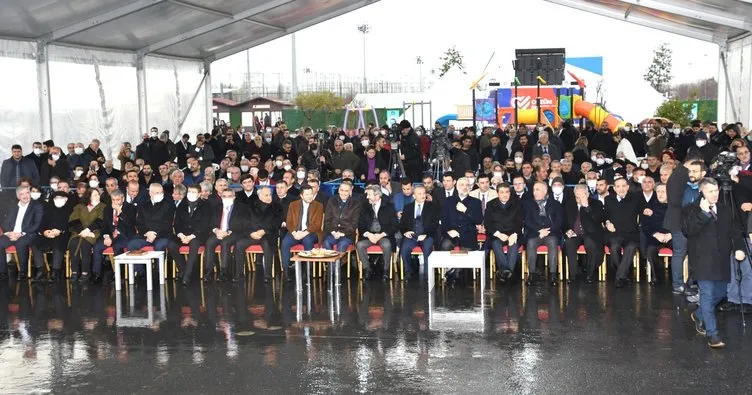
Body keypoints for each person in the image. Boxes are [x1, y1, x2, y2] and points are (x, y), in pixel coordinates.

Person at [683, 177, 745, 348]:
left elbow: (735, 230)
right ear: (701, 191)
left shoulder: (725, 209)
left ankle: (698, 314)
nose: (715, 194)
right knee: (708, 295)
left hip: (721, 260)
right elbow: (688, 230)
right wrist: (703, 213)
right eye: (710, 191)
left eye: (716, 190)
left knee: (721, 294)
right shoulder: (691, 209)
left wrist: (739, 248)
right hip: (702, 260)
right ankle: (713, 335)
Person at [664, 155, 706, 294]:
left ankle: (682, 283)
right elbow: (678, 201)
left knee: (682, 253)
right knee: (680, 253)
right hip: (680, 220)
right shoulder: (683, 175)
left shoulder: (677, 173)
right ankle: (679, 284)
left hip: (680, 220)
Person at [233, 186, 282, 283]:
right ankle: (239, 275)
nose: (269, 197)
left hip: (268, 234)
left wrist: (263, 231)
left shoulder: (277, 207)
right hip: (252, 234)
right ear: (259, 196)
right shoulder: (250, 206)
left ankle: (267, 275)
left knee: (267, 245)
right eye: (266, 195)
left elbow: (276, 223)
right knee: (238, 244)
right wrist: (251, 233)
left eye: (270, 195)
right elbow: (245, 222)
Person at [127, 184, 175, 278]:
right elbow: (139, 222)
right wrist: (147, 233)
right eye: (157, 192)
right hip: (146, 235)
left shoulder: (169, 204)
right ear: (150, 193)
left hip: (162, 235)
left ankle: (158, 271)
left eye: (161, 192)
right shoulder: (143, 203)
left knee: (159, 246)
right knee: (132, 244)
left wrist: (154, 234)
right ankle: (140, 271)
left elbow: (167, 223)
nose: (159, 194)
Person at [166, 185, 210, 286]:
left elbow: (205, 224)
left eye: (193, 192)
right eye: (189, 192)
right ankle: (183, 269)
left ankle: (187, 275)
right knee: (171, 245)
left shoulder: (205, 205)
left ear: (199, 194)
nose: (190, 194)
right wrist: (181, 235)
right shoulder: (182, 204)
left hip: (198, 235)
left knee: (194, 244)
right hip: (183, 234)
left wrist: (191, 236)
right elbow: (177, 223)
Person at [202, 189, 250, 281]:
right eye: (224, 196)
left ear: (234, 197)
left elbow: (244, 224)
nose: (227, 198)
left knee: (225, 242)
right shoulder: (217, 207)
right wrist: (216, 230)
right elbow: (211, 223)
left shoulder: (242, 207)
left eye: (229, 196)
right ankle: (208, 272)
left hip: (234, 232)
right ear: (221, 197)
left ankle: (224, 272)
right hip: (219, 232)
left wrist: (228, 232)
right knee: (209, 243)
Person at [522, 181, 564, 286]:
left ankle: (553, 274)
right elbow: (527, 221)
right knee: (530, 243)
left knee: (553, 242)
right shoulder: (528, 204)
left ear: (545, 191)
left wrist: (547, 231)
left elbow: (559, 221)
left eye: (538, 190)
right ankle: (532, 274)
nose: (535, 192)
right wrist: (539, 230)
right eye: (534, 190)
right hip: (535, 233)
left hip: (551, 233)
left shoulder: (555, 204)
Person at [563, 184, 605, 284]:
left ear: (587, 194)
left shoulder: (596, 203)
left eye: (581, 196)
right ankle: (573, 275)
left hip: (590, 233)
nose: (579, 199)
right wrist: (567, 230)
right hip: (575, 233)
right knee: (569, 243)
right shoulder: (569, 204)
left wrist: (587, 207)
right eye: (577, 196)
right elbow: (564, 221)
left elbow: (599, 219)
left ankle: (589, 275)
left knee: (590, 243)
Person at [280, 185, 324, 280]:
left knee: (308, 241)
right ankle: (286, 271)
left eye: (311, 194)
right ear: (301, 196)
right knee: (285, 242)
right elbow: (289, 222)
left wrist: (304, 233)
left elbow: (317, 224)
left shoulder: (319, 205)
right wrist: (294, 233)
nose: (310, 196)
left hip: (311, 232)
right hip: (295, 232)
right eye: (307, 194)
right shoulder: (293, 204)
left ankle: (308, 270)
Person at [604, 177, 641, 287]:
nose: (621, 189)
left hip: (631, 234)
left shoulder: (635, 198)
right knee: (614, 247)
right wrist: (607, 222)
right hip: (614, 233)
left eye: (624, 186)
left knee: (631, 248)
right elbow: (605, 215)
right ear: (614, 188)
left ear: (628, 187)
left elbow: (642, 211)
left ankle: (619, 277)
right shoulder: (608, 199)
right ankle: (623, 275)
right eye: (618, 186)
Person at [356, 185, 398, 280]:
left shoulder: (389, 206)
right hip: (369, 236)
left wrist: (381, 235)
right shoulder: (364, 207)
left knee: (387, 244)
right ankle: (367, 269)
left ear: (377, 195)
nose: (367, 197)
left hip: (384, 235)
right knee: (360, 245)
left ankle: (386, 270)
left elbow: (395, 226)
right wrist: (369, 234)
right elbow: (360, 225)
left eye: (369, 195)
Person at [0, 186, 42, 280]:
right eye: (22, 194)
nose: (25, 196)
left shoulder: (36, 206)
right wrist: (8, 233)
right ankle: (2, 272)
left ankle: (23, 272)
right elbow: (6, 221)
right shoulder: (13, 206)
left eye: (27, 193)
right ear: (18, 196)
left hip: (28, 234)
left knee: (21, 243)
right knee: (0, 242)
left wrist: (21, 233)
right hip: (12, 233)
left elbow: (37, 224)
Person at [484, 183, 523, 283]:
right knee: (495, 243)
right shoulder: (490, 204)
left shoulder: (517, 204)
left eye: (507, 192)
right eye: (502, 192)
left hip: (513, 233)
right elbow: (488, 224)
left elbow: (520, 222)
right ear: (497, 193)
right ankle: (508, 272)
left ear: (510, 193)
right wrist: (498, 234)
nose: (505, 194)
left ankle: (504, 272)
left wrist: (514, 235)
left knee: (513, 245)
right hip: (497, 234)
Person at [32, 191, 74, 282]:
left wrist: (60, 231)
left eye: (61, 198)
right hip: (48, 234)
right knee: (35, 242)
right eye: (56, 198)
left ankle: (56, 272)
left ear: (66, 199)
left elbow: (72, 225)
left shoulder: (71, 210)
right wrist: (44, 232)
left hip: (63, 234)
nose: (58, 200)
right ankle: (40, 270)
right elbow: (42, 223)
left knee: (58, 243)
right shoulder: (48, 209)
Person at [399, 186, 438, 280]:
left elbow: (435, 224)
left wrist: (426, 234)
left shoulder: (432, 207)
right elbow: (402, 224)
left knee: (428, 248)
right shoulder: (408, 207)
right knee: (404, 249)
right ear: (414, 196)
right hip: (412, 235)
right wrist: (405, 232)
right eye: (419, 194)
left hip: (426, 235)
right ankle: (408, 271)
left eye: (424, 193)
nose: (423, 196)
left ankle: (428, 274)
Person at [66, 188, 105, 283]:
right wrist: (82, 231)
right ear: (89, 196)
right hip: (78, 232)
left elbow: (100, 221)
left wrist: (88, 230)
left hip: (94, 232)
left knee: (85, 244)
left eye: (98, 194)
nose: (98, 196)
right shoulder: (79, 207)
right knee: (74, 243)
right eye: (95, 195)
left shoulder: (103, 207)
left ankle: (85, 273)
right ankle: (74, 272)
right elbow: (73, 220)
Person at [322, 181, 361, 254]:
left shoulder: (356, 204)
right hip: (332, 233)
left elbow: (354, 224)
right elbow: (327, 221)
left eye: (346, 191)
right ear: (339, 190)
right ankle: (333, 265)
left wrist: (342, 233)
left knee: (342, 244)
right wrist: (333, 232)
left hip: (347, 234)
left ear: (350, 192)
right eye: (342, 190)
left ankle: (336, 265)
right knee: (326, 243)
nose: (344, 193)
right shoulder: (332, 201)